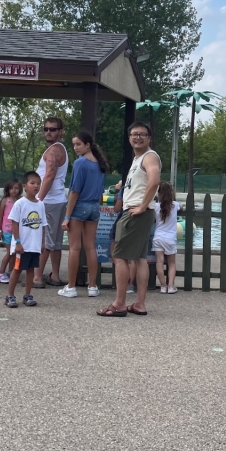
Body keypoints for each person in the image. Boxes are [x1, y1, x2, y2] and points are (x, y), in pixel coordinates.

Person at [97, 122, 160, 317]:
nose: (138, 137)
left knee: (119, 256)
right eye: (134, 134)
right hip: (140, 213)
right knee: (140, 259)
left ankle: (119, 303)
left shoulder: (149, 157)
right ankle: (139, 304)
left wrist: (142, 205)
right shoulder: (138, 158)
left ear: (149, 138)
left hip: (136, 213)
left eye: (142, 134)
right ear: (129, 137)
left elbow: (155, 180)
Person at [60, 131, 108, 298]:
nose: (75, 148)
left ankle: (71, 287)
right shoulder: (99, 164)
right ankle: (93, 286)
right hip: (95, 207)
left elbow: (74, 191)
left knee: (74, 248)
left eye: (78, 144)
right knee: (91, 247)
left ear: (88, 145)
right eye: (74, 144)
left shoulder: (80, 163)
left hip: (79, 207)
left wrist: (67, 216)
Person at [35, 116, 69, 288]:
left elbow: (49, 175)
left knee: (45, 242)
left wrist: (38, 199)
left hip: (48, 201)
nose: (48, 132)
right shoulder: (59, 149)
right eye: (46, 129)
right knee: (55, 243)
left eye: (53, 129)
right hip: (57, 200)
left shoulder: (54, 151)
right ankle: (54, 276)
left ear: (60, 132)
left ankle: (37, 277)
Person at [6, 171, 44, 309]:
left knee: (30, 270)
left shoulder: (40, 205)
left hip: (34, 245)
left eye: (38, 184)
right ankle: (10, 295)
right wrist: (18, 242)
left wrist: (42, 243)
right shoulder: (20, 203)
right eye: (32, 183)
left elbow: (43, 225)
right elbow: (14, 223)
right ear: (25, 186)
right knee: (17, 269)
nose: (36, 186)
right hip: (22, 245)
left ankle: (27, 294)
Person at [153, 181, 181, 294]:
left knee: (159, 262)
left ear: (159, 194)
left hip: (158, 237)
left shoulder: (155, 206)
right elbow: (181, 208)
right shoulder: (175, 205)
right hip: (170, 238)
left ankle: (163, 286)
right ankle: (171, 286)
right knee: (172, 264)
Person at [0, 179, 21, 283]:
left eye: (16, 188)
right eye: (11, 188)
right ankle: (0, 273)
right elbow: (0, 216)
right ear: (8, 189)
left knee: (14, 253)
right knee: (10, 252)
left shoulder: (20, 201)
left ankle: (11, 272)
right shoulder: (5, 201)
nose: (14, 190)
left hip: (17, 231)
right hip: (7, 230)